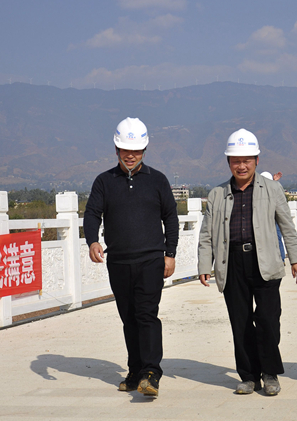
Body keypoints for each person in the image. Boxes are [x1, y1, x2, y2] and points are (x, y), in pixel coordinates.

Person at [198, 128, 297, 396]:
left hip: (265, 260)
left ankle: (269, 373)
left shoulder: (272, 189)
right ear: (228, 163)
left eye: (247, 160)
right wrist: (204, 265)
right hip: (232, 262)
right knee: (240, 321)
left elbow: (287, 226)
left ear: (257, 160)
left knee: (268, 320)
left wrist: (296, 259)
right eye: (236, 161)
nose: (242, 166)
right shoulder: (217, 194)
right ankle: (248, 376)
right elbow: (206, 233)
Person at [83, 117, 179, 398]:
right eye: (125, 150)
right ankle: (135, 370)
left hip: (151, 260)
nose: (130, 155)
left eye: (136, 151)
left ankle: (151, 372)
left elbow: (170, 218)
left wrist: (170, 254)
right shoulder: (104, 181)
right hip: (119, 262)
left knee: (146, 314)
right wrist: (92, 241)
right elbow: (92, 213)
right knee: (129, 318)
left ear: (144, 150)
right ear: (116, 149)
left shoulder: (157, 180)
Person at [260, 171, 286, 262]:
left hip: (274, 217)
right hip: (263, 218)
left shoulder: (273, 188)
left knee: (277, 237)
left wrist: (274, 183)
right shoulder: (258, 190)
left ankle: (281, 258)